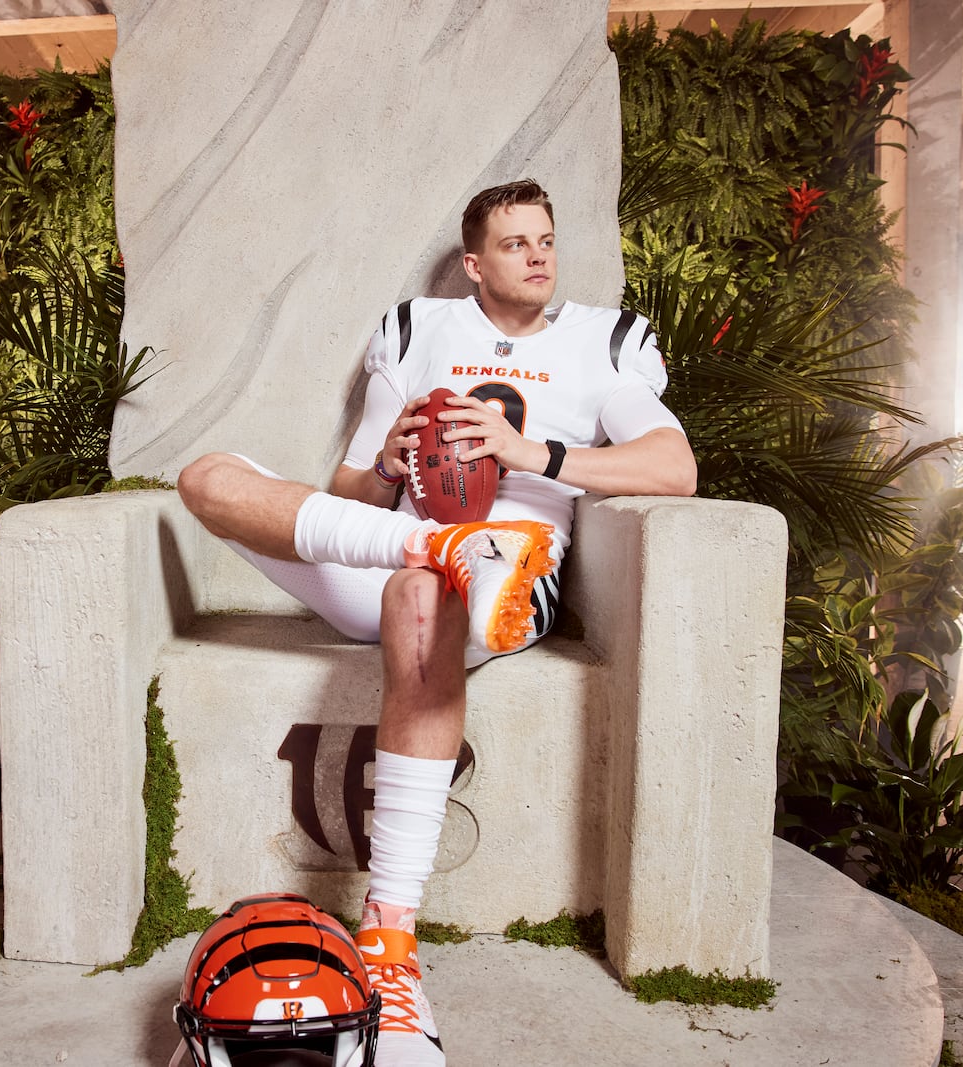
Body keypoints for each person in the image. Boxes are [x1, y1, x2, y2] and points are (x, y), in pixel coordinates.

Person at [176, 180, 697, 1066]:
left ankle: (389, 937)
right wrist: (386, 462)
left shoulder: (602, 344)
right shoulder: (420, 332)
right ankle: (442, 547)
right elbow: (349, 492)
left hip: (506, 575)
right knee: (206, 478)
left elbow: (675, 466)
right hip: (395, 548)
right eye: (515, 243)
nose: (538, 254)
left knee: (424, 593)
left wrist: (529, 453)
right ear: (474, 263)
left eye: (546, 239)